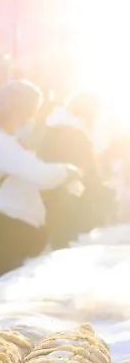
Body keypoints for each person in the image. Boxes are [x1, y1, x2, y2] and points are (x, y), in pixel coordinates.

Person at [0, 80, 78, 292]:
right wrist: (68, 170)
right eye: (28, 113)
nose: (29, 120)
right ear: (13, 111)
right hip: (0, 234)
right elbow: (39, 175)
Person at [40, 91, 109, 248]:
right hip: (71, 198)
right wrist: (105, 193)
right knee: (71, 244)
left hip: (52, 195)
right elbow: (87, 171)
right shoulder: (75, 133)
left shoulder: (51, 128)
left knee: (59, 243)